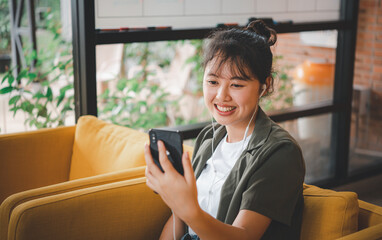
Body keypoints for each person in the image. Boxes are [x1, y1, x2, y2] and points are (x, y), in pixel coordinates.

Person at [144, 20, 305, 240]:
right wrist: (177, 203)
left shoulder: (280, 152)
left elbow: (244, 236)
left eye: (236, 85)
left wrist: (187, 208)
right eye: (212, 81)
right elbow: (177, 222)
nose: (221, 96)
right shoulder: (209, 138)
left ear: (264, 86)